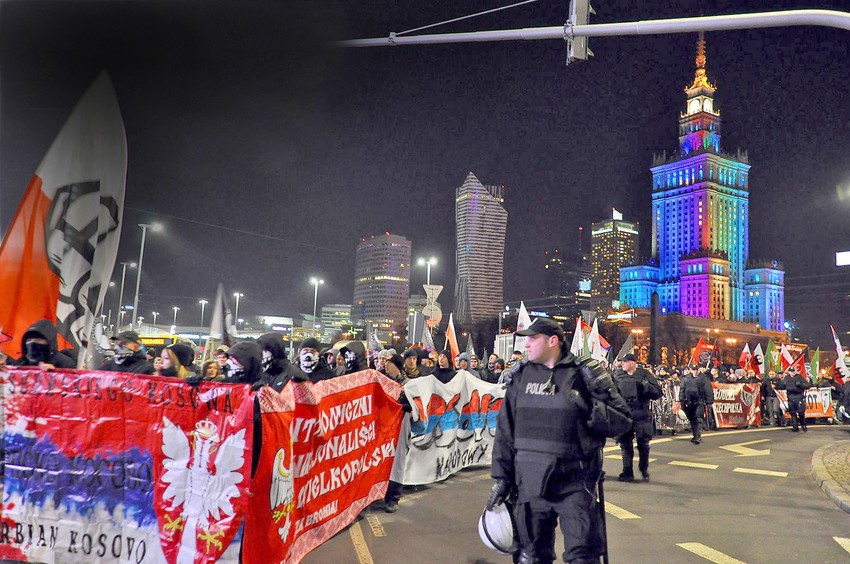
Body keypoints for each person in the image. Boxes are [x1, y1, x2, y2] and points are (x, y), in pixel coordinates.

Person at [488, 318, 630, 564]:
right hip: (530, 485)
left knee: (583, 557)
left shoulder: (585, 373)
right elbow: (506, 430)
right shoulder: (521, 376)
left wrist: (588, 406)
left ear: (552, 341)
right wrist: (501, 477)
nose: (527, 345)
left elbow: (623, 422)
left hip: (575, 484)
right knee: (530, 557)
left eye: (533, 339)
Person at [613, 353, 662, 482]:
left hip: (641, 412)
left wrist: (646, 386)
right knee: (625, 444)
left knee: (643, 444)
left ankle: (643, 469)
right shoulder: (617, 375)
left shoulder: (644, 374)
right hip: (625, 413)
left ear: (632, 363)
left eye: (625, 362)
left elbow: (658, 393)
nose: (622, 364)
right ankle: (627, 471)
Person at [9, 320, 76, 370]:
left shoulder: (64, 363)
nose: (32, 344)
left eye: (38, 340)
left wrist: (55, 373)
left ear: (49, 342)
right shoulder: (21, 362)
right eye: (29, 340)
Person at [679, 365, 714, 444]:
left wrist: (709, 402)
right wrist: (681, 400)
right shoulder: (686, 378)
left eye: (696, 369)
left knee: (698, 418)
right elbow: (682, 390)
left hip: (699, 401)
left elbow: (708, 391)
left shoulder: (704, 379)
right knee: (692, 419)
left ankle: (697, 436)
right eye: (693, 369)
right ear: (691, 370)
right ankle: (695, 435)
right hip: (689, 402)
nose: (695, 371)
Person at [777, 367, 811, 432]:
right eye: (791, 371)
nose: (792, 373)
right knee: (792, 413)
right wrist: (775, 386)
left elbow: (807, 386)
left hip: (799, 396)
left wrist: (801, 384)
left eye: (793, 371)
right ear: (789, 372)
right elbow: (782, 386)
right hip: (790, 397)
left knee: (801, 412)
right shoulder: (786, 378)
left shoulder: (799, 377)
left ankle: (803, 425)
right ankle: (795, 427)